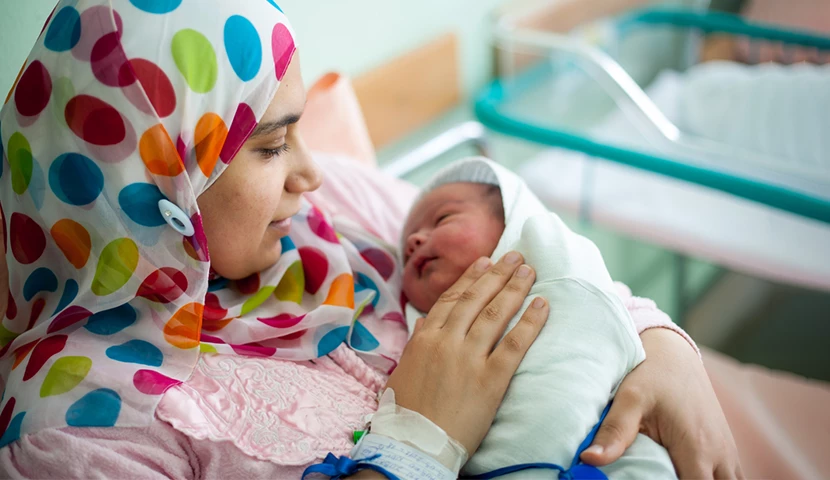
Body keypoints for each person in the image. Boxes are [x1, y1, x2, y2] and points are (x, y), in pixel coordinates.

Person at [0, 1, 741, 478]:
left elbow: (536, 255)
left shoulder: (341, 211)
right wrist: (422, 439)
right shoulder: (75, 432)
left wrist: (668, 348)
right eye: (269, 148)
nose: (311, 176)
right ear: (157, 173)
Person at [401, 158, 676, 478]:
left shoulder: (563, 265)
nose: (414, 241)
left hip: (612, 445)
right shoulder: (417, 345)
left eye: (443, 218)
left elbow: (609, 321)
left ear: (514, 219)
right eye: (405, 253)